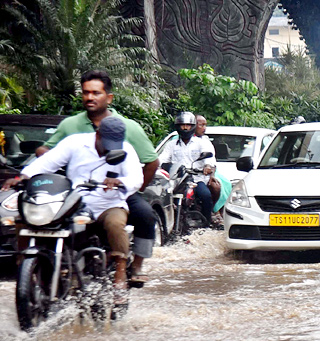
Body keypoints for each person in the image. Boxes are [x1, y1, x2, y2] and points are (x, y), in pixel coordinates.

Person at [36, 70, 159, 281]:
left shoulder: (128, 127)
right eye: (85, 93)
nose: (90, 97)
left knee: (146, 215)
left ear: (109, 97)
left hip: (119, 189)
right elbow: (45, 151)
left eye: (96, 93)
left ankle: (136, 266)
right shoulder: (70, 125)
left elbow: (152, 161)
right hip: (77, 190)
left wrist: (131, 189)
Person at [5, 117, 144, 297]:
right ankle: (27, 264)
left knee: (115, 224)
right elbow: (46, 163)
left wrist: (119, 181)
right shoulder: (75, 143)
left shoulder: (126, 150)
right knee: (26, 219)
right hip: (73, 202)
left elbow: (137, 179)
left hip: (108, 204)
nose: (109, 148)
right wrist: (23, 178)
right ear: (98, 134)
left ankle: (120, 270)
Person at [160, 112, 216, 225]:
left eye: (188, 125)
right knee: (163, 196)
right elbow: (162, 159)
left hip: (196, 179)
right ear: (178, 126)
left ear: (192, 126)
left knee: (205, 195)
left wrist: (207, 166)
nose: (185, 128)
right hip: (177, 179)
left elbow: (209, 158)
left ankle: (207, 222)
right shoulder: (171, 144)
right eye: (183, 125)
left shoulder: (200, 143)